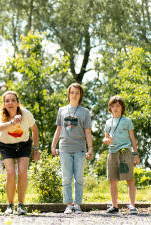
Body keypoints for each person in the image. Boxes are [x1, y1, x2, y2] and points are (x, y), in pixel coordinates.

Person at [0, 91, 40, 215]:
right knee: (10, 174)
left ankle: (21, 205)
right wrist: (12, 122)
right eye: (7, 101)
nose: (10, 103)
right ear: (4, 104)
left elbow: (35, 130)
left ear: (18, 103)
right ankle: (10, 205)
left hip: (23, 145)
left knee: (22, 173)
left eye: (13, 100)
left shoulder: (26, 114)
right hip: (6, 145)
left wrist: (36, 149)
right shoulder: (0, 114)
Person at [51, 83, 93, 214]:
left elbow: (87, 131)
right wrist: (53, 145)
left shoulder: (85, 112)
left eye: (77, 93)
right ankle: (69, 205)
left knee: (79, 178)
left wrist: (90, 147)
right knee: (66, 178)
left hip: (80, 148)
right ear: (68, 94)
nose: (74, 95)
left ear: (80, 95)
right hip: (64, 148)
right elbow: (58, 129)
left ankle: (77, 204)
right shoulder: (62, 110)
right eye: (72, 92)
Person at [103, 96, 140, 215]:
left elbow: (132, 138)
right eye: (113, 106)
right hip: (112, 153)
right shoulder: (108, 122)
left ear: (122, 107)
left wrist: (135, 154)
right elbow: (106, 138)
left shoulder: (127, 121)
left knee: (129, 179)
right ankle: (114, 206)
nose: (115, 108)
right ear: (110, 108)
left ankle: (132, 206)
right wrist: (106, 141)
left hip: (125, 152)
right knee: (113, 180)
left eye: (118, 105)